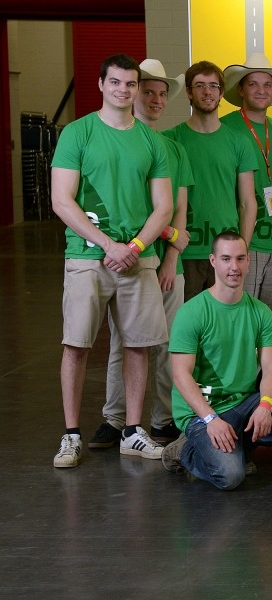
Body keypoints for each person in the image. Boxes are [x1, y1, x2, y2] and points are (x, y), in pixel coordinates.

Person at [50, 53, 173, 468]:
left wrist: (134, 247)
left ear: (137, 88)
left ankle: (132, 432)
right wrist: (108, 245)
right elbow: (62, 200)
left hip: (139, 258)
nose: (123, 89)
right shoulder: (78, 133)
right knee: (76, 345)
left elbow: (163, 207)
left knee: (139, 346)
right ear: (102, 84)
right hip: (87, 256)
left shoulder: (152, 141)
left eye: (130, 83)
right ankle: (71, 435)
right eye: (116, 82)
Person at [91, 59, 193, 450]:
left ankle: (163, 419)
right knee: (123, 342)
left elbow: (177, 208)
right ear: (133, 94)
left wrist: (170, 258)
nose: (155, 99)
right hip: (128, 261)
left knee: (168, 344)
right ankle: (115, 420)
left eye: (161, 93)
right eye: (148, 91)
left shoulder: (172, 149)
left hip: (164, 264)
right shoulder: (113, 141)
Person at [162, 232, 272, 490]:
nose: (234, 267)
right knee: (230, 476)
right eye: (226, 259)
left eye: (240, 258)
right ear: (213, 261)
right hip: (202, 412)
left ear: (248, 261)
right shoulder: (192, 312)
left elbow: (271, 368)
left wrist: (265, 405)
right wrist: (210, 419)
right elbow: (181, 375)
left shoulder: (260, 311)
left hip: (243, 403)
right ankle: (185, 452)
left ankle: (237, 446)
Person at [164, 60, 257, 301]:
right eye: (200, 86)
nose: (207, 92)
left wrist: (241, 252)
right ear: (188, 92)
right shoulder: (170, 140)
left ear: (221, 93)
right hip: (184, 251)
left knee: (224, 321)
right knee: (186, 321)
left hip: (225, 253)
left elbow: (248, 203)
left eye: (213, 86)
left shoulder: (239, 142)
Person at [220, 54, 272, 322]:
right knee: (239, 321)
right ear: (241, 89)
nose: (261, 91)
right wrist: (239, 250)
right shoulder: (226, 127)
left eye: (267, 85)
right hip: (245, 244)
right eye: (253, 84)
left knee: (267, 323)